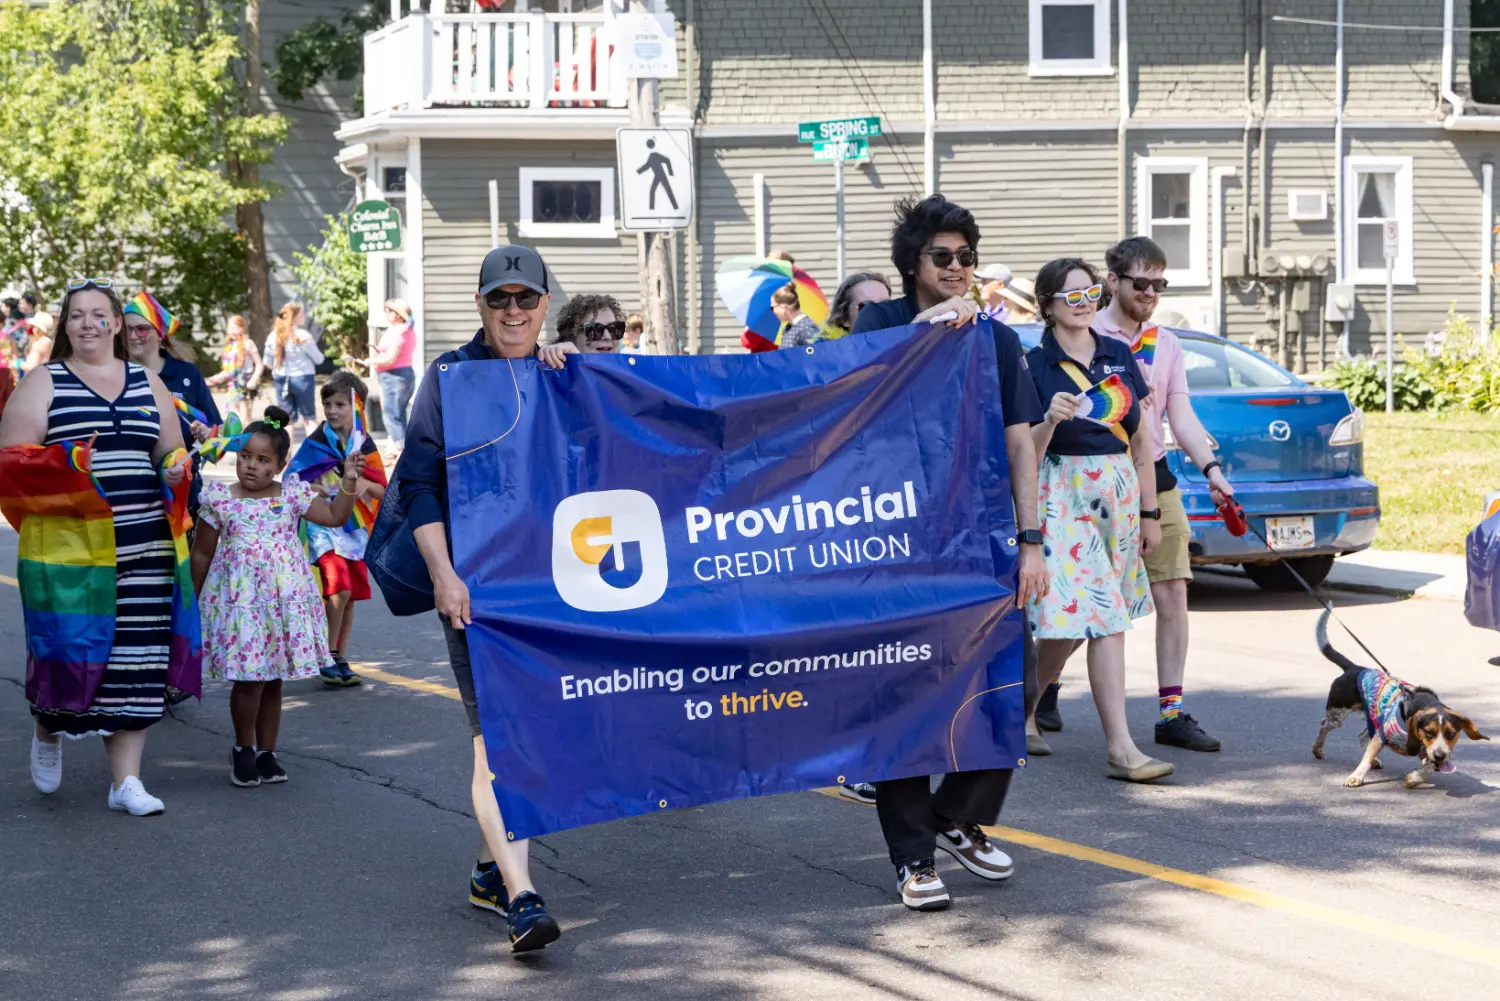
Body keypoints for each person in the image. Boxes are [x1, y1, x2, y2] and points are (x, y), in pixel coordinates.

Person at [851, 194, 1048, 912]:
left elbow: (1019, 442)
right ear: (914, 264)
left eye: (968, 257)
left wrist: (1031, 542)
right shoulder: (880, 321)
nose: (960, 268)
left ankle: (954, 814)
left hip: (978, 539)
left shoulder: (996, 340)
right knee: (906, 696)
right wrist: (934, 326)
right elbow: (855, 390)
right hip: (891, 542)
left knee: (1013, 678)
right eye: (944, 256)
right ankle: (913, 857)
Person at [388, 244, 576, 952]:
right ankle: (524, 898)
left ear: (544, 305)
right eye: (500, 299)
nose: (514, 311)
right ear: (480, 306)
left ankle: (489, 867)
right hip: (479, 587)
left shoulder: (557, 371)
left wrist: (568, 373)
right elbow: (420, 483)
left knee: (538, 731)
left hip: (557, 587)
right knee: (497, 738)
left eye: (527, 299)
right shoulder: (451, 376)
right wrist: (443, 572)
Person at [0, 279, 188, 815]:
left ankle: (125, 782)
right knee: (65, 653)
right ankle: (48, 729)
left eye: (98, 314)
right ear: (66, 325)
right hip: (68, 548)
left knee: (135, 658)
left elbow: (169, 451)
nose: (88, 323)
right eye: (77, 315)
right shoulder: (43, 381)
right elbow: (11, 462)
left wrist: (176, 469)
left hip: (144, 543)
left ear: (115, 324)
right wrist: (68, 465)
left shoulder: (147, 381)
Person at [1080, 235, 1235, 753]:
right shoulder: (1086, 332)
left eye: (1159, 284)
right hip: (1096, 477)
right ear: (1113, 281)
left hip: (1159, 475)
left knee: (1173, 590)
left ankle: (1171, 712)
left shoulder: (1167, 343)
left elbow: (1179, 415)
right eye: (1140, 282)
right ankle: (1046, 692)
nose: (1150, 292)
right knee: (1087, 595)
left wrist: (1211, 468)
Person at [1022, 257, 1171, 783]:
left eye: (1091, 296)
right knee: (1101, 613)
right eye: (1072, 297)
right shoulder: (1033, 366)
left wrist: (1151, 511)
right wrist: (1048, 422)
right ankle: (1122, 749)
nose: (1084, 306)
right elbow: (1024, 453)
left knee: (1078, 619)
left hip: (1119, 494)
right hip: (1060, 492)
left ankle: (1022, 708)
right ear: (1047, 304)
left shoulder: (1118, 353)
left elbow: (1144, 439)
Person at [191, 405, 366, 787]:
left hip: (283, 605)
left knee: (274, 681)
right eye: (245, 457)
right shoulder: (220, 499)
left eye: (263, 460)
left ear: (281, 464)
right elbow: (202, 552)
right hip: (241, 607)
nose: (251, 466)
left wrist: (349, 481)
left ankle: (268, 752)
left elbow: (336, 516)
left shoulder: (292, 495)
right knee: (250, 679)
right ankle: (243, 748)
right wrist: (192, 599)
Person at [291, 370, 387, 687]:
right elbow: (292, 481)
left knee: (351, 596)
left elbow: (384, 491)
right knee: (339, 587)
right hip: (322, 525)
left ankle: (339, 657)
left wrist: (365, 483)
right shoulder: (317, 442)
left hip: (354, 530)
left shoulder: (365, 446)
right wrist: (314, 488)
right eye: (328, 403)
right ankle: (327, 654)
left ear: (356, 407)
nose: (332, 410)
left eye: (341, 404)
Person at [122, 291, 223, 519]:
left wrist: (207, 435)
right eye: (126, 329)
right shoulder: (115, 374)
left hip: (183, 488)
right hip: (131, 487)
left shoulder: (186, 374)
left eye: (141, 328)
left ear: (159, 334)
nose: (133, 336)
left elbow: (218, 433)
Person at [353, 299, 417, 454]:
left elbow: (390, 358)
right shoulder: (406, 330)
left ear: (398, 315)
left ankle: (401, 451)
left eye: (389, 311)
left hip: (394, 377)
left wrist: (371, 361)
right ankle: (401, 450)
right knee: (399, 415)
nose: (386, 314)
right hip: (403, 375)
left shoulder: (397, 332)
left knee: (391, 416)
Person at [262, 302, 324, 437]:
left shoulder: (273, 336)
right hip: (303, 378)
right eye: (302, 314)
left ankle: (286, 455)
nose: (304, 316)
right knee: (309, 419)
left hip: (281, 379)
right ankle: (312, 455)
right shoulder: (303, 335)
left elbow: (267, 362)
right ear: (294, 316)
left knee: (287, 421)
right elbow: (319, 359)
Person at [207, 315, 265, 427]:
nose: (232, 331)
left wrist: (254, 380)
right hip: (233, 384)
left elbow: (259, 364)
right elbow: (228, 371)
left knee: (245, 419)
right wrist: (212, 380)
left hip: (245, 383)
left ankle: (248, 441)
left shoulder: (248, 343)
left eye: (235, 328)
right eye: (230, 328)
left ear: (242, 328)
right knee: (235, 418)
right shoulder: (230, 346)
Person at [825, 271, 892, 338]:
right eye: (867, 308)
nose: (879, 315)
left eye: (885, 305)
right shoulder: (825, 348)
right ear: (844, 319)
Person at [555, 293, 626, 354]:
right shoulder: (552, 369)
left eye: (614, 328)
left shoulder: (632, 367)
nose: (608, 337)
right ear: (571, 338)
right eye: (595, 329)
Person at [770, 283, 822, 348]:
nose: (773, 311)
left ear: (783, 307)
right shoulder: (788, 328)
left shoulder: (807, 329)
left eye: (772, 308)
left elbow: (818, 355)